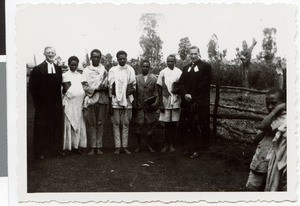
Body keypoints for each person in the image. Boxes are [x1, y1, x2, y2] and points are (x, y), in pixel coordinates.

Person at [246, 89, 286, 191]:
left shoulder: (285, 118)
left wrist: (276, 111)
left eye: (274, 103)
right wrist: (264, 132)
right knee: (254, 188)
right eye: (267, 103)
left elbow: (264, 125)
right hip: (261, 160)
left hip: (276, 164)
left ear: (284, 102)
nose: (270, 107)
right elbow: (256, 139)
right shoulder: (270, 118)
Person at [29, 46, 63, 160]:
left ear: (55, 54)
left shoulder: (58, 69)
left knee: (55, 126)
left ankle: (54, 150)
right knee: (42, 127)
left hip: (55, 104)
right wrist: (38, 104)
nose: (50, 54)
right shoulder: (38, 69)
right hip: (43, 105)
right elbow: (32, 88)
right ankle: (40, 152)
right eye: (48, 52)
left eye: (52, 52)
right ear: (44, 53)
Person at [178, 46, 212, 159]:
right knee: (188, 124)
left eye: (195, 54)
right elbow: (181, 83)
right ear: (189, 54)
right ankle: (189, 148)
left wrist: (192, 95)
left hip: (199, 101)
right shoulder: (186, 67)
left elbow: (204, 84)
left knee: (198, 124)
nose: (193, 56)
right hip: (187, 101)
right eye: (191, 54)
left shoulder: (205, 66)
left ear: (199, 54)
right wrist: (185, 94)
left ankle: (198, 149)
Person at [108, 50, 136, 155]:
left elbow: (133, 85)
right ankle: (118, 147)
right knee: (116, 124)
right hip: (115, 101)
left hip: (127, 101)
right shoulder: (112, 70)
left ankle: (124, 146)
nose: (122, 60)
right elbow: (110, 87)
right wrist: (112, 101)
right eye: (120, 58)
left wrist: (127, 92)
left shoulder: (130, 70)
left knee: (125, 124)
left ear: (126, 58)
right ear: (117, 59)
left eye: (124, 58)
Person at [82, 49, 109, 155]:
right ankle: (93, 147)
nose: (96, 59)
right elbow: (85, 85)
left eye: (98, 57)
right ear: (91, 58)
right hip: (91, 99)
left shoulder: (104, 70)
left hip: (102, 99)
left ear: (100, 57)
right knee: (92, 123)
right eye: (94, 56)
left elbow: (107, 83)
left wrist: (104, 87)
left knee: (100, 123)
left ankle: (99, 146)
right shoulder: (86, 70)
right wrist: (96, 89)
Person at [157, 55, 182, 153]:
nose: (170, 63)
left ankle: (172, 145)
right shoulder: (163, 72)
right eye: (168, 61)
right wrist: (160, 103)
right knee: (167, 124)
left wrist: (178, 90)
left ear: (175, 62)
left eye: (172, 61)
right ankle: (166, 144)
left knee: (174, 124)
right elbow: (159, 88)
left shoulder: (179, 72)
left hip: (176, 100)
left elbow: (182, 85)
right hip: (165, 100)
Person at [62, 56, 87, 155]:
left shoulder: (80, 76)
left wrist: (82, 94)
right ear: (68, 65)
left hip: (79, 104)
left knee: (78, 124)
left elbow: (84, 88)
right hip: (70, 103)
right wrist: (79, 93)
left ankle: (76, 146)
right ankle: (68, 147)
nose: (74, 66)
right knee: (69, 124)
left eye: (76, 64)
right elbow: (69, 91)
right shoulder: (65, 75)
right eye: (72, 64)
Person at [133, 60, 157, 153]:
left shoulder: (154, 78)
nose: (145, 68)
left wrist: (153, 104)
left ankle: (149, 146)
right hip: (139, 106)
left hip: (149, 107)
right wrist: (135, 103)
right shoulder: (136, 78)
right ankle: (138, 146)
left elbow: (156, 93)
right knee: (139, 126)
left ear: (149, 68)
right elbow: (134, 92)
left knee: (150, 126)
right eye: (143, 66)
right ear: (141, 67)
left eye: (147, 67)